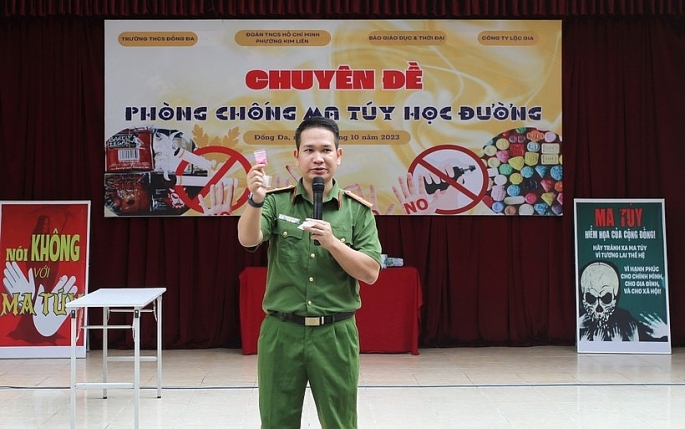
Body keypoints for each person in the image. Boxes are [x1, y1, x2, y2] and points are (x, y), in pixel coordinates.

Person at [237, 116, 382, 429]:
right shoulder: (275, 203)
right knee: (276, 421)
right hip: (282, 331)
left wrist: (332, 243)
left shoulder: (357, 210)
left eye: (326, 150)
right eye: (310, 150)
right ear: (297, 156)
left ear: (338, 156)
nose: (318, 158)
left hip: (335, 333)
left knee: (340, 422)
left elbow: (371, 272)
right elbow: (248, 239)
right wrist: (255, 200)